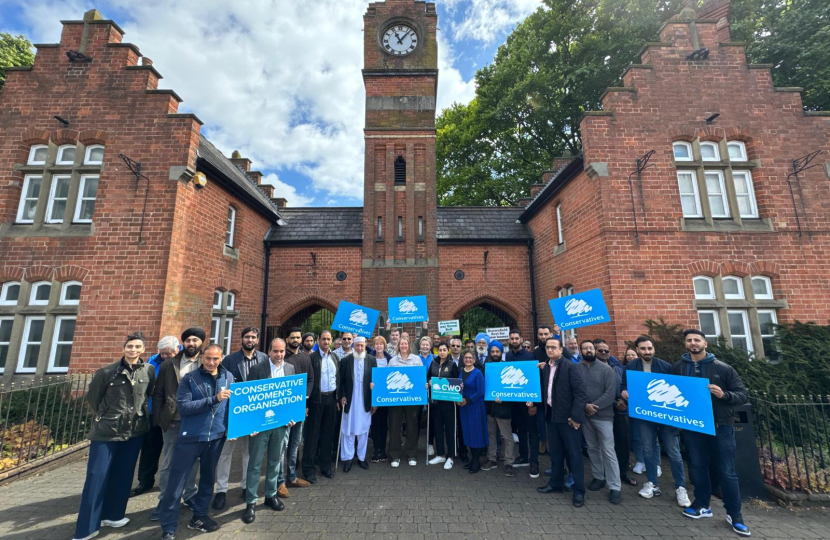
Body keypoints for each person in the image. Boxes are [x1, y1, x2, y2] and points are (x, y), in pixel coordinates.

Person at [73, 332, 155, 540]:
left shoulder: (149, 370)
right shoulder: (107, 371)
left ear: (143, 350)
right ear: (124, 348)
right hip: (107, 431)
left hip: (135, 430)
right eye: (130, 346)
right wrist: (107, 415)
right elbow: (94, 397)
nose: (133, 350)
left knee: (124, 473)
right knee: (96, 477)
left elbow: (148, 394)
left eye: (137, 347)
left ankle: (114, 514)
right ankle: (87, 527)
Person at [675, 329, 750, 536]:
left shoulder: (723, 368)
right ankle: (702, 504)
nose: (693, 343)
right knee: (697, 467)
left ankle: (735, 515)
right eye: (689, 340)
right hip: (692, 426)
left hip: (720, 425)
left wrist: (724, 394)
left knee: (727, 470)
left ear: (705, 344)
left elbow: (742, 394)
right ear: (685, 344)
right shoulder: (678, 367)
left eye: (697, 340)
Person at [159, 344, 232, 539]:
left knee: (208, 480)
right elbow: (183, 407)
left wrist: (236, 428)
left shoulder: (229, 377)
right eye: (207, 358)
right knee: (176, 483)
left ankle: (199, 517)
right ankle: (168, 527)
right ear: (202, 357)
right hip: (191, 438)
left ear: (221, 358)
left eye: (215, 359)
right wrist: (213, 399)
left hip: (216, 437)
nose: (211, 362)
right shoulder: (190, 379)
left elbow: (234, 407)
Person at [622, 335, 691, 507]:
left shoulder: (666, 366)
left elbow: (677, 389)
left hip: (666, 415)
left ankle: (680, 487)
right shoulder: (631, 366)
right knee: (648, 449)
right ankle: (652, 483)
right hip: (644, 415)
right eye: (643, 349)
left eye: (650, 348)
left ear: (654, 349)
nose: (647, 351)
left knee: (673, 452)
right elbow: (624, 385)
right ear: (637, 350)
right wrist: (624, 392)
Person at [152, 327, 206, 520]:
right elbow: (158, 393)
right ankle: (165, 499)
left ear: (201, 342)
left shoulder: (206, 363)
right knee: (168, 462)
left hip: (197, 421)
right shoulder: (169, 365)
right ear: (183, 343)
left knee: (193, 461)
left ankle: (190, 494)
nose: (191, 343)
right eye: (188, 340)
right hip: (174, 421)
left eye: (195, 340)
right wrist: (160, 418)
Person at [240, 339, 296, 524]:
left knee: (275, 461)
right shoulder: (257, 369)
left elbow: (292, 397)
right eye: (276, 351)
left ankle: (271, 495)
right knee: (255, 464)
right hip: (261, 426)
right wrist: (250, 426)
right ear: (269, 351)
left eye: (281, 352)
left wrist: (292, 416)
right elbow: (249, 398)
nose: (279, 355)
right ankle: (250, 502)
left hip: (280, 425)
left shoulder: (289, 369)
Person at [213, 327, 268, 510]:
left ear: (258, 340)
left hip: (253, 414)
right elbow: (221, 386)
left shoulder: (263, 359)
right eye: (247, 337)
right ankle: (221, 490)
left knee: (249, 452)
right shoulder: (229, 360)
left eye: (253, 337)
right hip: (232, 414)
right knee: (225, 453)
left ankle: (246, 486)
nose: (250, 340)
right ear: (242, 339)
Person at [537, 337, 588, 508]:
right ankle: (555, 483)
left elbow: (580, 394)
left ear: (561, 349)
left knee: (574, 455)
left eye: (553, 347)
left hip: (568, 419)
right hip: (552, 416)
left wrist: (575, 417)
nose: (550, 350)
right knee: (556, 453)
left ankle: (579, 491)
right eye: (548, 347)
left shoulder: (571, 367)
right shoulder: (546, 368)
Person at [131, 335, 179, 498]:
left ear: (176, 350)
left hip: (173, 414)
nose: (165, 356)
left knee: (170, 450)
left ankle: (170, 482)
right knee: (150, 448)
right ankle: (145, 481)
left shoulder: (181, 362)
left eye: (169, 353)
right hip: (153, 412)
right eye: (163, 353)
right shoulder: (152, 362)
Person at [576, 340, 621, 504]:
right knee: (593, 448)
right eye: (585, 348)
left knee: (608, 450)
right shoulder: (576, 368)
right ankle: (598, 477)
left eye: (591, 348)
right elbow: (574, 389)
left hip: (603, 416)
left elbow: (610, 393)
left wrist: (594, 406)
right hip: (585, 415)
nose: (588, 350)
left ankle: (615, 486)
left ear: (594, 350)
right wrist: (584, 406)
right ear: (581, 351)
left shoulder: (606, 369)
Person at [595, 341, 637, 487]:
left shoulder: (617, 368)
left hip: (620, 411)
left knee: (623, 443)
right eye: (600, 351)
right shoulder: (592, 369)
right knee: (604, 445)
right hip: (602, 412)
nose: (604, 353)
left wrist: (623, 401)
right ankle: (604, 474)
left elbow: (622, 386)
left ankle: (623, 472)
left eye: (606, 351)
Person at [302, 330, 340, 482]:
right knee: (312, 436)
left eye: (328, 339)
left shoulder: (335, 357)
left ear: (331, 341)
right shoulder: (311, 358)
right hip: (316, 401)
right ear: (318, 340)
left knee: (327, 435)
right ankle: (308, 469)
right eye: (323, 339)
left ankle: (325, 466)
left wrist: (338, 398)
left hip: (331, 399)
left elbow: (338, 379)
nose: (325, 342)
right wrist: (306, 403)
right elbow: (307, 381)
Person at [280, 328, 315, 495]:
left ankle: (292, 476)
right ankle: (280, 481)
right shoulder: (282, 358)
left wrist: (306, 397)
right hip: (284, 407)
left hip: (300, 405)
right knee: (282, 444)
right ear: (287, 339)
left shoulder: (305, 357)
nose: (295, 339)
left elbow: (311, 379)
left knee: (295, 444)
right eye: (292, 337)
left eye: (298, 337)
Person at [338, 336, 377, 471]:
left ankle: (361, 457)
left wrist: (374, 401)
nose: (359, 348)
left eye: (362, 345)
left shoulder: (371, 360)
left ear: (365, 345)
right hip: (350, 400)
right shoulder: (345, 360)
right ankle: (348, 458)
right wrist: (342, 396)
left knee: (363, 430)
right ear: (353, 346)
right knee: (348, 430)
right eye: (357, 346)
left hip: (365, 400)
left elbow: (376, 381)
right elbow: (340, 381)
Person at [506, 329, 540, 478]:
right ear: (509, 340)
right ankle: (524, 456)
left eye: (516, 338)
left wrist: (533, 404)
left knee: (532, 432)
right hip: (514, 402)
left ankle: (534, 462)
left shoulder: (529, 356)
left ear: (521, 339)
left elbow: (533, 380)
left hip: (527, 402)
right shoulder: (508, 356)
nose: (514, 341)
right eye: (512, 338)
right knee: (520, 430)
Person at [482, 340, 516, 477]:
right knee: (491, 435)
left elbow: (511, 387)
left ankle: (508, 462)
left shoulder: (507, 366)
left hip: (504, 407)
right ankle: (492, 459)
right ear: (489, 352)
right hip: (490, 407)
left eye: (497, 351)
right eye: (493, 351)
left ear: (501, 353)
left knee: (507, 436)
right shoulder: (486, 367)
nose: (495, 353)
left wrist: (504, 397)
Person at [387, 336, 422, 467]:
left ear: (409, 346)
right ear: (398, 346)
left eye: (405, 344)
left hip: (412, 399)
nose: (403, 346)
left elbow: (420, 378)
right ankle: (394, 455)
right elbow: (387, 379)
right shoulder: (392, 361)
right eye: (401, 344)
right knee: (395, 426)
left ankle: (411, 454)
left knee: (412, 426)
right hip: (395, 399)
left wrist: (423, 385)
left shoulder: (417, 359)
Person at [428, 342, 459, 470]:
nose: (442, 352)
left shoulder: (452, 365)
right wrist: (428, 382)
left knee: (450, 429)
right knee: (438, 428)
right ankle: (440, 454)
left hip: (448, 403)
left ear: (448, 351)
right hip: (435, 402)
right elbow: (428, 377)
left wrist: (459, 387)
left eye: (444, 350)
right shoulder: (433, 363)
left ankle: (450, 456)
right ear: (437, 351)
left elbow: (457, 381)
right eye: (440, 350)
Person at [458, 350, 488, 473]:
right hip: (463, 407)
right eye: (466, 357)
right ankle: (471, 459)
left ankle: (476, 461)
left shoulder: (478, 373)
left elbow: (481, 391)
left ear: (474, 360)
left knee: (476, 432)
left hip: (475, 406)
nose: (468, 359)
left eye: (470, 358)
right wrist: (457, 398)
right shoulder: (461, 371)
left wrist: (468, 400)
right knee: (467, 432)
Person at [369, 335, 391, 462]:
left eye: (381, 344)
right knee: (374, 423)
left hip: (387, 396)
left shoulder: (390, 360)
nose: (378, 346)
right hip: (374, 395)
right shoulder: (369, 358)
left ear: (384, 346)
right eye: (376, 344)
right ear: (374, 346)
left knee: (384, 423)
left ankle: (382, 450)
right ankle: (376, 450)